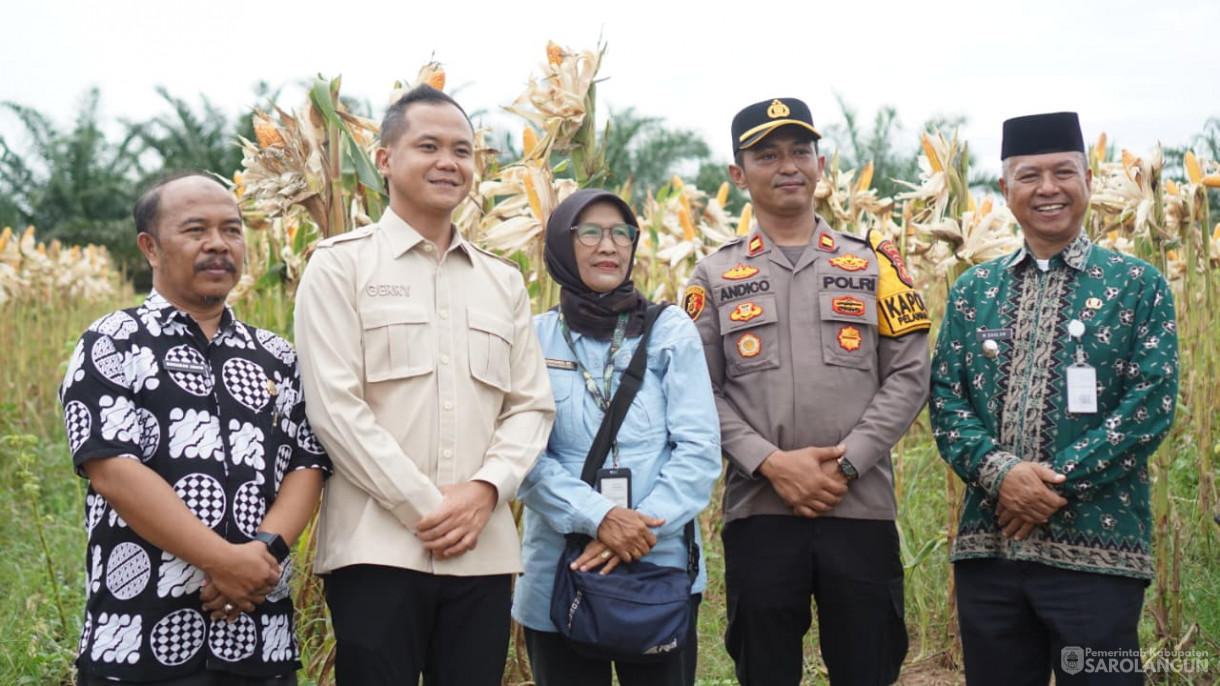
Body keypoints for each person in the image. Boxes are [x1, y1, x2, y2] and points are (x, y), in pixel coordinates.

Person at [293, 84, 555, 685]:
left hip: (480, 552)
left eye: (463, 151)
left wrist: (486, 490)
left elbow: (530, 407)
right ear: (384, 160)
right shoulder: (339, 265)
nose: (449, 162)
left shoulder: (502, 281)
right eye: (429, 146)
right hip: (376, 549)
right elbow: (334, 408)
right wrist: (428, 508)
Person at [684, 97, 931, 685]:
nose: (788, 165)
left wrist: (845, 465)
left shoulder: (874, 264)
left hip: (860, 507)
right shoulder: (712, 276)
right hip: (760, 509)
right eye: (768, 154)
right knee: (765, 667)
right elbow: (697, 390)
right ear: (738, 175)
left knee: (868, 665)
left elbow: (909, 374)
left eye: (801, 151)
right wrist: (770, 463)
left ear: (822, 165)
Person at [929, 111, 1179, 685]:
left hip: (1101, 554)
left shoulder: (1137, 283)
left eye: (1063, 172)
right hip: (990, 552)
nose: (1048, 189)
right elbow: (945, 399)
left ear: (1089, 180)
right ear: (1004, 190)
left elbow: (1150, 406)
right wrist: (1002, 476)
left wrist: (1044, 484)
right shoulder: (974, 289)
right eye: (1029, 175)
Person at [60, 172, 331, 685]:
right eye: (194, 230)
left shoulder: (276, 356)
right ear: (151, 247)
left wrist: (260, 558)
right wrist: (225, 562)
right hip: (139, 634)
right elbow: (114, 472)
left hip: (257, 637)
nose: (217, 245)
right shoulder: (111, 342)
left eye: (231, 230)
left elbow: (307, 463)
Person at [512, 188, 722, 686]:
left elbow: (698, 450)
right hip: (562, 570)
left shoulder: (670, 330)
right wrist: (600, 517)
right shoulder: (531, 336)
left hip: (659, 567)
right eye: (589, 232)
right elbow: (520, 453)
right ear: (562, 245)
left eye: (621, 233)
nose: (608, 246)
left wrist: (637, 530)